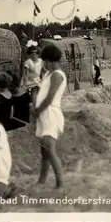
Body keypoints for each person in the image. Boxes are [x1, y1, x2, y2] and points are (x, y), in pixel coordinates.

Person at [32, 44, 67, 189]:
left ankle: (60, 182)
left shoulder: (58, 75)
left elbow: (50, 96)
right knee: (44, 150)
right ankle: (42, 179)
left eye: (45, 61)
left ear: (51, 61)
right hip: (44, 113)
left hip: (50, 113)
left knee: (49, 148)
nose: (44, 64)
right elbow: (42, 93)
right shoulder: (48, 74)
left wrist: (38, 110)